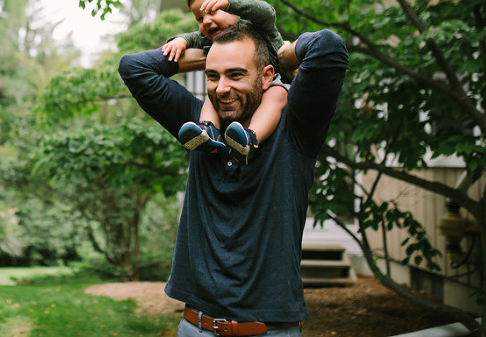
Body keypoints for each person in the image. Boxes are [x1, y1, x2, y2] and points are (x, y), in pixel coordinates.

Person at [119, 22, 348, 336]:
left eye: (236, 74)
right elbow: (134, 68)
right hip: (194, 327)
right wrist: (207, 50)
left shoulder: (296, 128)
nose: (222, 88)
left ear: (267, 75)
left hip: (268, 331)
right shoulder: (198, 127)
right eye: (213, 76)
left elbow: (328, 47)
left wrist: (280, 54)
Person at [161, 0, 288, 164]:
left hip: (273, 82)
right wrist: (180, 40)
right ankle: (208, 131)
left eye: (212, 11)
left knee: (277, 94)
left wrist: (230, 3)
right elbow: (196, 37)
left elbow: (267, 12)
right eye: (200, 18)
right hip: (239, 93)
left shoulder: (254, 23)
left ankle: (250, 139)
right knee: (215, 94)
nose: (206, 22)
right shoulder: (214, 39)